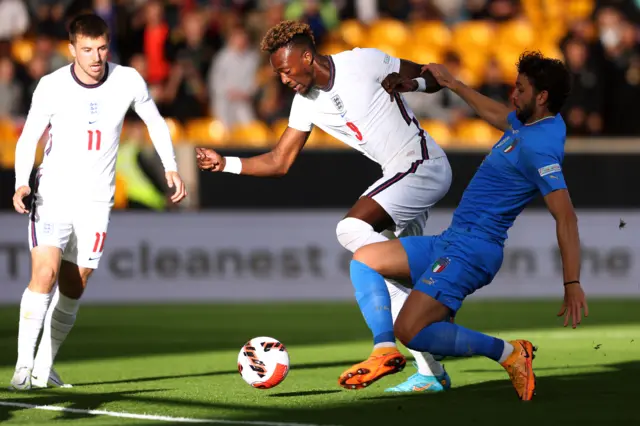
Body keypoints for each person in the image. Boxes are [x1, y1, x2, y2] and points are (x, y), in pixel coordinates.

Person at [196, 20, 452, 393]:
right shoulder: (305, 104)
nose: (283, 80)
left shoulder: (362, 62)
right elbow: (280, 161)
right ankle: (431, 372)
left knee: (350, 230)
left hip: (422, 163)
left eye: (285, 70)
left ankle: (421, 301)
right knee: (388, 275)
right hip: (401, 178)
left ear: (306, 56)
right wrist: (226, 163)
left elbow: (432, 76)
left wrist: (412, 83)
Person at [343, 51, 588, 401]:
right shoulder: (532, 122)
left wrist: (572, 282)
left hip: (474, 251)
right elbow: (496, 114)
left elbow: (566, 217)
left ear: (542, 96)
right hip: (453, 240)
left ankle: (509, 353)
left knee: (411, 331)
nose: (513, 94)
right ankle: (384, 349)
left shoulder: (541, 148)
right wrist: (453, 84)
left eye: (520, 89)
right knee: (365, 258)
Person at [10, 13, 187, 390]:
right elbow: (28, 139)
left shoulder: (127, 80)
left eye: (102, 47)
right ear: (72, 49)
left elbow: (155, 121)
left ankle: (45, 366)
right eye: (87, 49)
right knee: (45, 273)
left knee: (75, 286)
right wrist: (21, 182)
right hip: (53, 193)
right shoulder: (51, 86)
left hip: (96, 203)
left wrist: (170, 167)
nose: (95, 57)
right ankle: (23, 367)